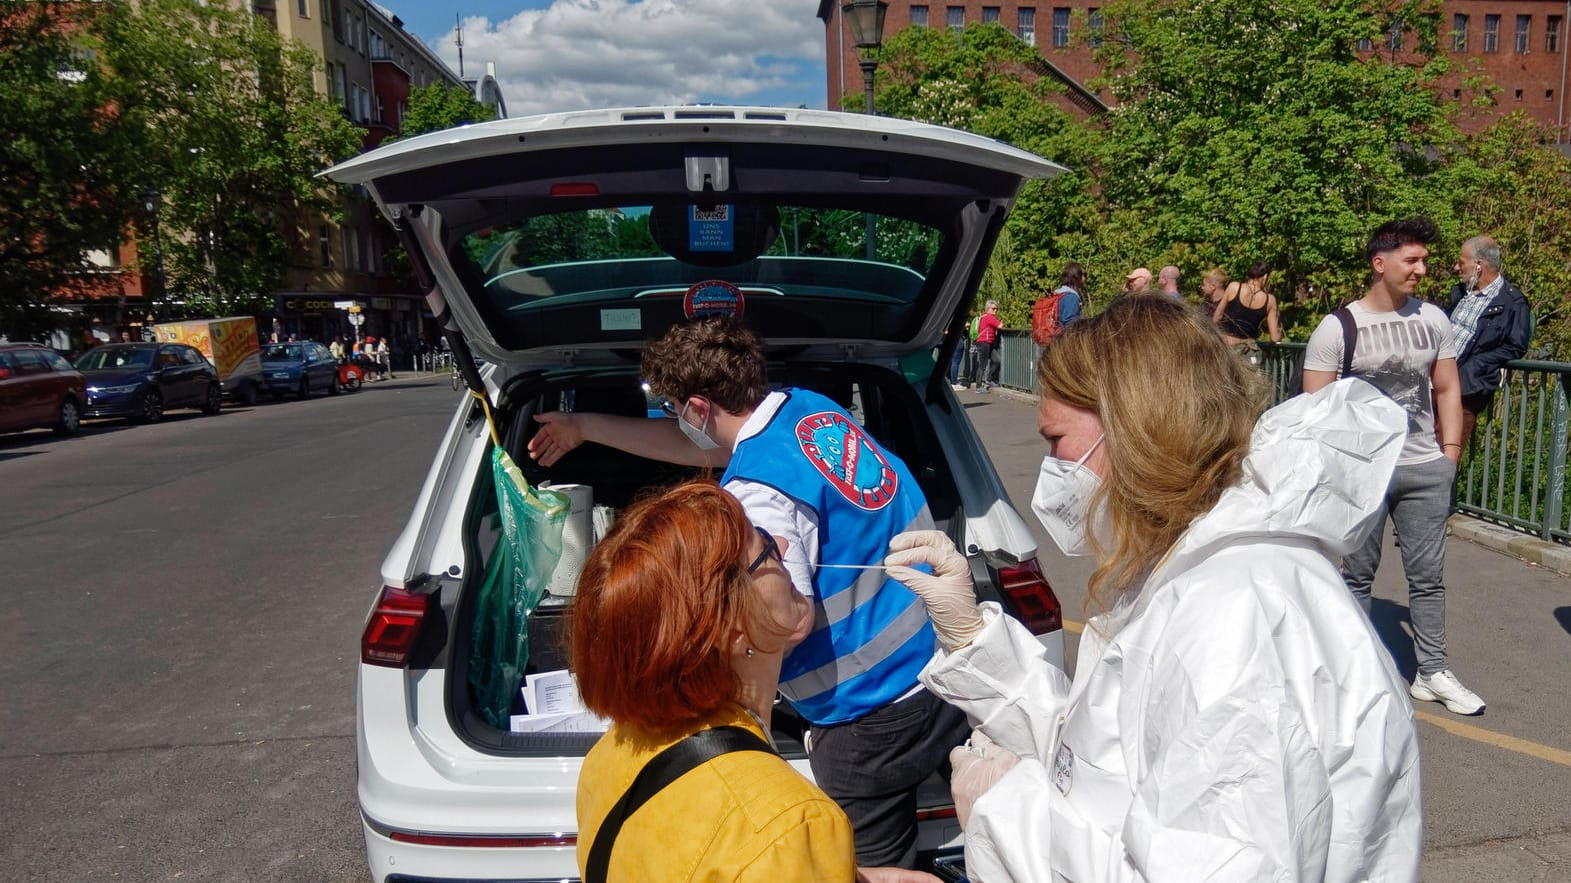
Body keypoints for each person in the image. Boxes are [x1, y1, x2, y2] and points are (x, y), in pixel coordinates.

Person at [881, 295, 1423, 882]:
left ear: (1136, 429)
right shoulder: (1190, 571)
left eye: (1057, 441)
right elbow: (1101, 759)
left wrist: (1004, 814)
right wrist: (972, 639)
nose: (1053, 470)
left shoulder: (1235, 614)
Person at [528, 318, 969, 869]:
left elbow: (784, 621)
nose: (674, 421)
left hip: (866, 717)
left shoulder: (755, 500)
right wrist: (583, 427)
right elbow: (709, 450)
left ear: (696, 408)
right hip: (941, 669)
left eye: (671, 409)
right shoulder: (807, 410)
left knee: (876, 870)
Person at [572, 481, 870, 881]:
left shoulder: (608, 756)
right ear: (734, 629)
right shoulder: (789, 826)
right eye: (764, 548)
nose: (782, 548)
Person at [1301, 216, 1482, 715]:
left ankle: (1433, 671)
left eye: (1424, 259)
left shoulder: (1435, 319)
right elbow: (1315, 411)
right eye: (1412, 260)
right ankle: (1354, 673)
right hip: (1363, 473)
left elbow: (1447, 388)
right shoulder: (1338, 328)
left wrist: (1449, 455)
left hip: (1425, 465)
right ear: (1380, 264)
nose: (1422, 269)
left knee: (1428, 577)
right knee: (1356, 577)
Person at [1446, 235, 1532, 452]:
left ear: (1479, 266)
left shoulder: (1513, 302)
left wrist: (1477, 366)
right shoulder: (1460, 293)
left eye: (1461, 262)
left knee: (1445, 456)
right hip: (1435, 383)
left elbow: (1516, 346)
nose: (1456, 267)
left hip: (1466, 389)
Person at [1214, 261, 1282, 366]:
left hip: (1226, 347)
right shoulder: (1270, 300)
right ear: (1265, 277)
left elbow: (1217, 316)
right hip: (1248, 352)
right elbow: (1274, 337)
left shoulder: (1234, 287)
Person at [972, 299, 1002, 393]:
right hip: (984, 343)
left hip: (988, 343)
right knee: (983, 365)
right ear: (988, 309)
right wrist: (1000, 323)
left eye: (996, 309)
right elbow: (1000, 326)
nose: (995, 310)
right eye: (993, 308)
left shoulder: (984, 316)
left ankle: (988, 381)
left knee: (996, 360)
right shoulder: (989, 317)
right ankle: (978, 387)